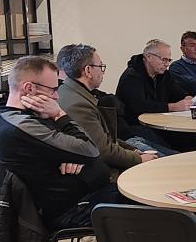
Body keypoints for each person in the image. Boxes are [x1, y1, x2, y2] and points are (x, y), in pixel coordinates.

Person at [0, 56, 117, 229]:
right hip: (69, 211)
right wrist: (60, 114)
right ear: (29, 88)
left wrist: (76, 156)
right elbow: (90, 149)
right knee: (146, 208)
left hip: (84, 197)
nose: (57, 96)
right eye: (52, 90)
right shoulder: (23, 127)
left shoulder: (31, 116)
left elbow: (83, 151)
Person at [56, 43, 159, 172]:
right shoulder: (78, 104)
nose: (103, 72)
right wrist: (139, 159)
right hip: (102, 171)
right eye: (100, 66)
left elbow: (106, 140)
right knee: (160, 165)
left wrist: (134, 150)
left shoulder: (72, 92)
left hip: (107, 158)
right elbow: (103, 151)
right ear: (88, 71)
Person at [116, 39, 196, 152]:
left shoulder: (163, 74)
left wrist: (188, 97)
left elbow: (176, 91)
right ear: (148, 57)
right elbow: (139, 107)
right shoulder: (132, 76)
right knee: (168, 143)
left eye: (169, 60)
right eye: (163, 60)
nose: (167, 64)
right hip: (136, 124)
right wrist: (171, 107)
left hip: (160, 121)